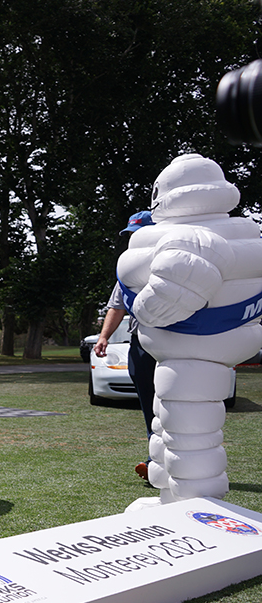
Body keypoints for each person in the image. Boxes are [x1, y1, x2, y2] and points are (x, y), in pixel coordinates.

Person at [118, 154, 262, 505]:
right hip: (186, 348)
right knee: (169, 421)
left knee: (191, 433)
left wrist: (141, 309)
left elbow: (173, 289)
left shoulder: (190, 240)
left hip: (192, 349)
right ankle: (169, 495)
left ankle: (200, 512)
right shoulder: (239, 235)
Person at [95, 211, 156, 485]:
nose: (132, 239)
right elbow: (117, 306)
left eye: (137, 233)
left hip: (174, 344)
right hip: (140, 344)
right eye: (130, 235)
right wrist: (104, 337)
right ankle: (156, 460)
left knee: (177, 401)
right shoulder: (129, 269)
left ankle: (184, 460)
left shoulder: (174, 261)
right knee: (150, 405)